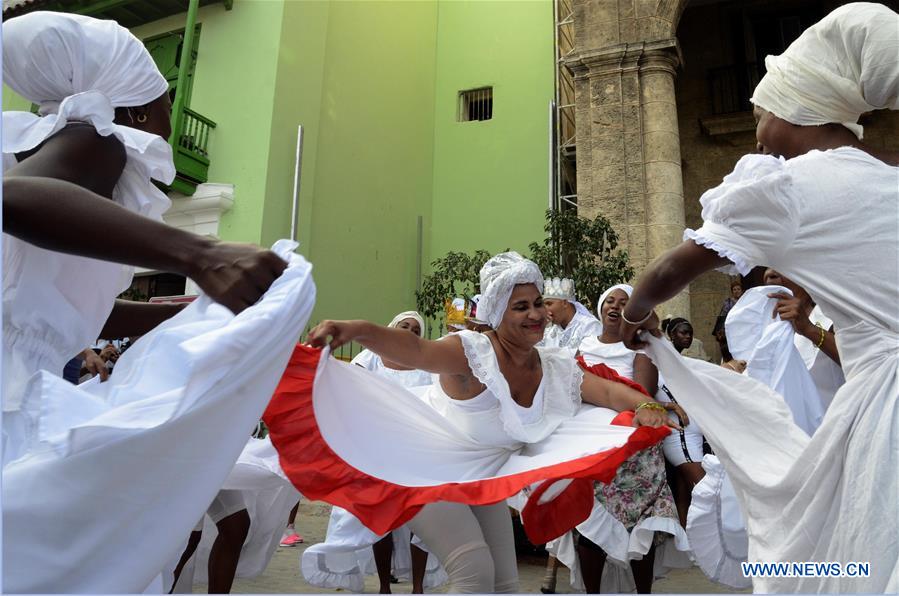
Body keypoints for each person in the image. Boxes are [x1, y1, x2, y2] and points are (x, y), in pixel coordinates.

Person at [2, 12, 315, 592]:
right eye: (167, 99)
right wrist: (200, 253)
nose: (171, 114)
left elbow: (49, 310)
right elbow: (12, 200)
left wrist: (174, 313)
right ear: (141, 112)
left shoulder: (41, 146)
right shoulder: (99, 140)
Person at [619, 4, 898, 591]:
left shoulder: (789, 187)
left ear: (796, 108)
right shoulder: (885, 179)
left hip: (886, 406)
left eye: (761, 113)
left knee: (855, 559)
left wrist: (635, 312)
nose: (756, 130)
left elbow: (672, 267)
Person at [267, 252, 676, 593]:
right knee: (473, 573)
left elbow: (606, 391)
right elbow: (415, 350)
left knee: (504, 583)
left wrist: (645, 405)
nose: (536, 314)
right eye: (521, 307)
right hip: (427, 471)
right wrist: (357, 329)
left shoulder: (554, 366)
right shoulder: (472, 353)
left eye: (538, 303)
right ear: (496, 313)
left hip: (483, 476)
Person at [551, 285, 690, 594]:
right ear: (601, 309)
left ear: (632, 313)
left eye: (624, 303)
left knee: (641, 525)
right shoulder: (583, 346)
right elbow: (570, 390)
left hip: (632, 448)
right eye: (609, 301)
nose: (615, 306)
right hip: (591, 445)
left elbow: (641, 395)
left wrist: (604, 398)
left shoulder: (641, 350)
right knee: (591, 524)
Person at [303, 310, 442, 594]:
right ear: (392, 327)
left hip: (416, 453)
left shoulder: (426, 367)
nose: (409, 332)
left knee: (421, 519)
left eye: (416, 330)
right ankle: (383, 586)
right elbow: (348, 389)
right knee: (381, 518)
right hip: (378, 452)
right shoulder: (370, 359)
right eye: (404, 326)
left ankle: (418, 588)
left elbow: (439, 404)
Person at [763, 268, 844, 408]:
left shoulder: (832, 317)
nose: (769, 273)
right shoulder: (766, 328)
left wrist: (809, 329)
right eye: (766, 266)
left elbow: (862, 361)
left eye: (782, 265)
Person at [540, 277, 603, 349]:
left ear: (564, 303)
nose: (545, 309)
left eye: (549, 304)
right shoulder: (551, 330)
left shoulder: (590, 326)